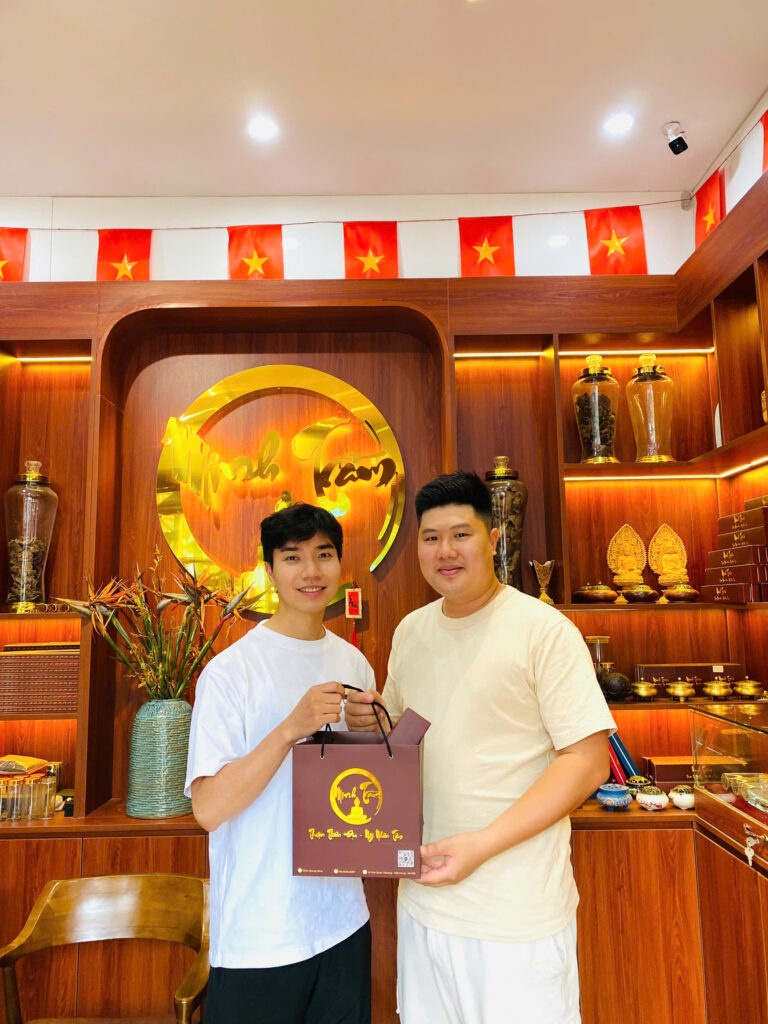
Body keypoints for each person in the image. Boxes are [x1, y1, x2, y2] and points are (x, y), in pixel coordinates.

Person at [345, 471, 615, 1024]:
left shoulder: (543, 629)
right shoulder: (411, 631)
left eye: (460, 534)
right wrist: (368, 723)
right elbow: (404, 739)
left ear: (493, 540)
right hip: (423, 904)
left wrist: (483, 845)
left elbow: (587, 763)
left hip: (515, 917)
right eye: (430, 538)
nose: (444, 551)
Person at [186, 503, 375, 1024]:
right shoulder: (230, 672)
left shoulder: (353, 662)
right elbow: (208, 809)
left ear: (340, 564)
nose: (311, 571)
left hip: (344, 923)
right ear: (269, 570)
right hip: (260, 936)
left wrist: (372, 735)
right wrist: (290, 728)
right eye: (292, 557)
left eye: (324, 555)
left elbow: (361, 788)